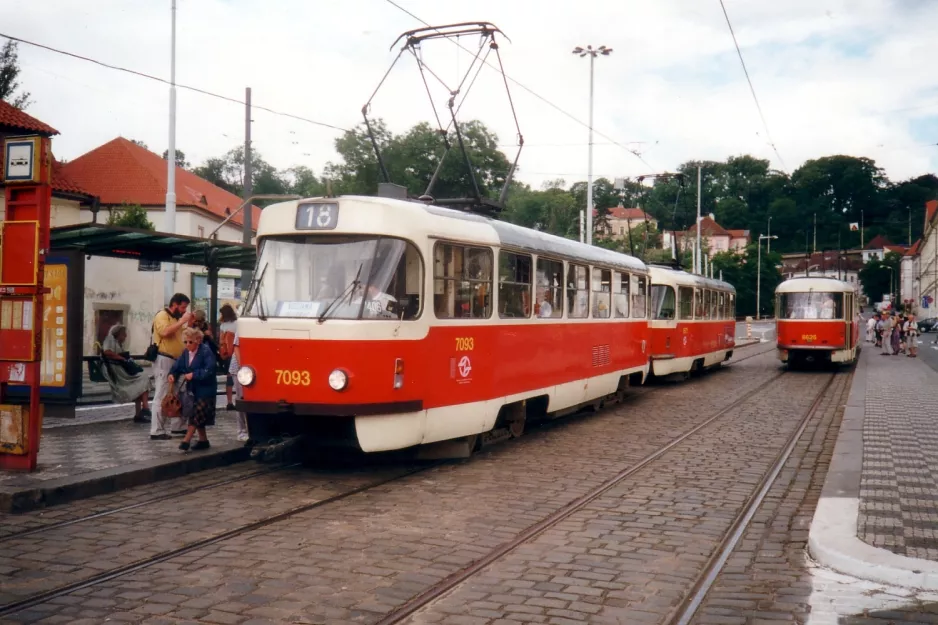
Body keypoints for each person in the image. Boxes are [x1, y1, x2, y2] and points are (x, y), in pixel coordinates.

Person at [168, 327, 216, 451]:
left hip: (205, 389)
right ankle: (203, 440)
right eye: (186, 342)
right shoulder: (185, 353)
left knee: (196, 413)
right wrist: (172, 374)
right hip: (193, 389)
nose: (188, 344)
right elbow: (178, 366)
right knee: (197, 414)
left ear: (198, 340)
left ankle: (186, 440)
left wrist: (194, 374)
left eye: (190, 342)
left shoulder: (206, 352)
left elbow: (209, 369)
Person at [151, 293, 192, 440]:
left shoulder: (176, 319)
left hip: (177, 360)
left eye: (185, 308)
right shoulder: (162, 315)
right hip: (164, 358)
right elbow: (165, 332)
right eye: (182, 307)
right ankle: (157, 430)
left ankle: (178, 426)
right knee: (162, 393)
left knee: (181, 391)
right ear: (174, 304)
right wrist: (182, 321)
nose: (183, 310)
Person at [101, 324, 151, 422]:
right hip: (117, 371)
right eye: (124, 334)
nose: (125, 336)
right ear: (118, 333)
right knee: (143, 379)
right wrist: (122, 358)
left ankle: (139, 412)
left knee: (141, 384)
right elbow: (107, 352)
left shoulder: (118, 344)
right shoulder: (110, 339)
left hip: (121, 369)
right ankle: (145, 408)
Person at [229, 330, 248, 442]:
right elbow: (236, 346)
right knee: (241, 399)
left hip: (249, 367)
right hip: (240, 369)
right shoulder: (242, 327)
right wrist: (242, 366)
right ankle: (241, 431)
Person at [218, 304, 238, 411]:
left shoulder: (223, 325)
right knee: (235, 377)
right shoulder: (237, 324)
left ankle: (229, 401)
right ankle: (237, 398)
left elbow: (221, 341)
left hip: (226, 354)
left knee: (229, 378)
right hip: (235, 353)